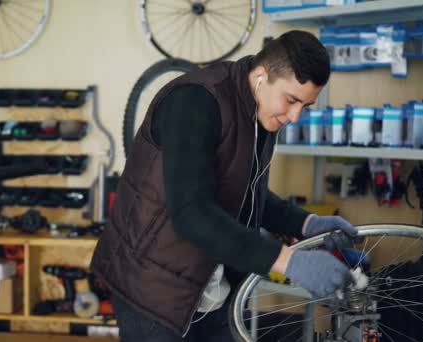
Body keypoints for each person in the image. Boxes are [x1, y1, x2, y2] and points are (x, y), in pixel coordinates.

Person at [91, 30, 358, 341]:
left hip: (214, 287)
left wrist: (307, 222)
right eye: (292, 100)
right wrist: (288, 261)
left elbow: (242, 192)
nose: (295, 116)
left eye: (306, 106)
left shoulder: (260, 109)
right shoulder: (195, 102)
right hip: (154, 291)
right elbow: (192, 213)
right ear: (262, 76)